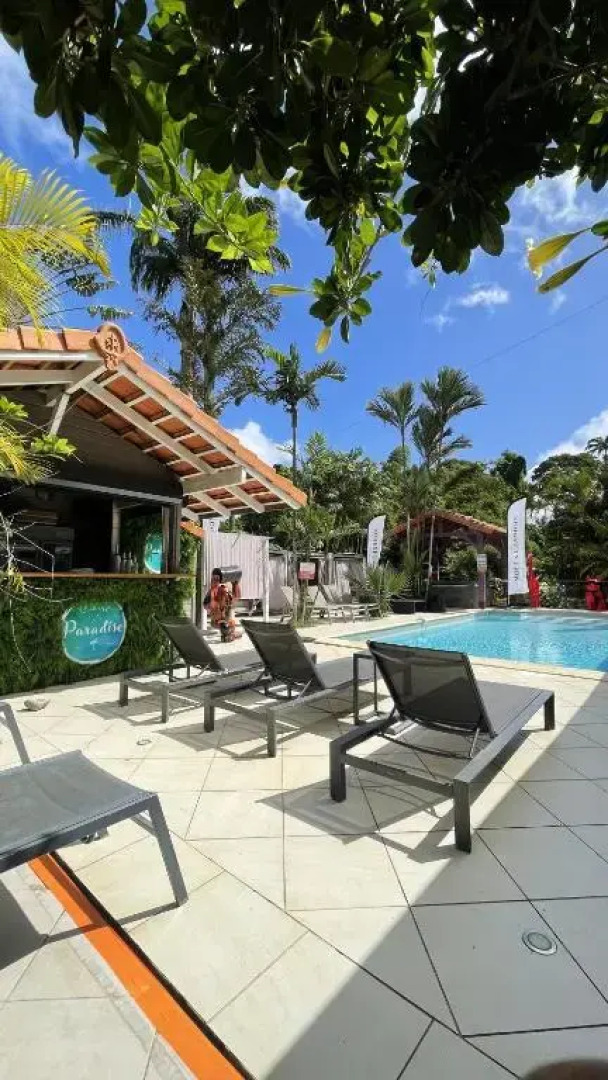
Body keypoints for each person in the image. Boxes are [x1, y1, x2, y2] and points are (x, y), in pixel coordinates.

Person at [204, 567, 241, 643]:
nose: (215, 580)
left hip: (222, 615)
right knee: (225, 622)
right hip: (220, 617)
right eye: (214, 578)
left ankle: (229, 632)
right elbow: (206, 603)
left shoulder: (223, 589)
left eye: (217, 579)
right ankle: (229, 632)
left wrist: (235, 584)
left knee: (226, 621)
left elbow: (235, 598)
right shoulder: (217, 589)